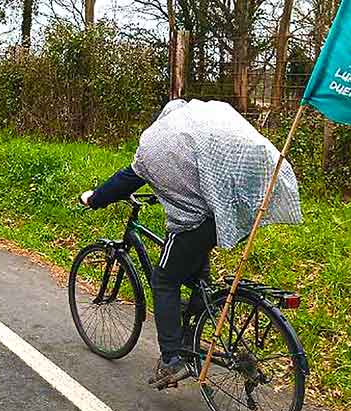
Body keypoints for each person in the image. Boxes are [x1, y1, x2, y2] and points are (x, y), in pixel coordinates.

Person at [81, 99, 302, 389]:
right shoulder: (198, 133)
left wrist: (95, 198)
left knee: (164, 280)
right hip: (226, 213)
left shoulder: (153, 147)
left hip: (195, 224)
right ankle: (192, 325)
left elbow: (126, 179)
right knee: (196, 276)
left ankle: (172, 360)